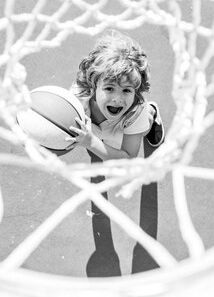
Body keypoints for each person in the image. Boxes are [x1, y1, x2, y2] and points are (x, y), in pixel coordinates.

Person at [67, 31, 164, 277]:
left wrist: (90, 142)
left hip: (125, 127)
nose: (118, 98)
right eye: (109, 88)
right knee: (99, 147)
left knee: (133, 131)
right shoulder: (76, 101)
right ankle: (98, 142)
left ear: (136, 93)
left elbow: (129, 159)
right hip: (98, 128)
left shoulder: (134, 110)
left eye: (127, 91)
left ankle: (154, 115)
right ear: (92, 86)